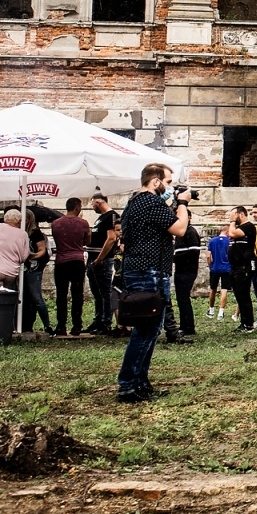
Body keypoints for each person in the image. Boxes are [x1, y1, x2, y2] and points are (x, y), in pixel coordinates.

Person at [117, 164, 190, 403]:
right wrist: (183, 203)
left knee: (150, 330)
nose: (169, 187)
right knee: (146, 330)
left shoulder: (134, 203)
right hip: (148, 271)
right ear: (156, 182)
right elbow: (179, 228)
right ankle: (128, 385)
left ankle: (140, 382)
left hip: (142, 269)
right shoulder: (150, 202)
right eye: (168, 182)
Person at [50, 198, 90, 336]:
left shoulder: (55, 224)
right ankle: (76, 326)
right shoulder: (83, 223)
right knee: (77, 295)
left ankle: (61, 325)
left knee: (61, 295)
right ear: (77, 207)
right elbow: (87, 240)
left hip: (61, 261)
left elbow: (56, 239)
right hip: (77, 261)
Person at [86, 194, 120, 335]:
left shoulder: (111, 216)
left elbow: (111, 238)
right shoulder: (100, 218)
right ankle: (98, 319)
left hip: (103, 260)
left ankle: (106, 322)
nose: (92, 206)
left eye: (92, 203)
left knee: (105, 292)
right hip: (93, 259)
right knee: (97, 293)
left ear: (98, 202)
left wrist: (100, 258)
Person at [223, 206, 257, 333]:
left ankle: (248, 324)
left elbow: (231, 233)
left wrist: (232, 221)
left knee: (243, 295)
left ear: (241, 214)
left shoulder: (248, 226)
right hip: (235, 267)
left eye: (234, 215)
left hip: (244, 266)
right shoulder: (239, 228)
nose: (232, 218)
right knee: (239, 295)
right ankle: (244, 322)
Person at [168, 207, 200, 341]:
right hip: (181, 270)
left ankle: (188, 327)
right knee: (181, 299)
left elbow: (193, 252)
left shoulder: (190, 232)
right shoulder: (180, 234)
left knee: (183, 298)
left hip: (187, 270)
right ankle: (185, 325)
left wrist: (175, 257)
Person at [0, 208, 30, 289]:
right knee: (7, 295)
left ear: (5, 218)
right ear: (19, 221)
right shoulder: (23, 234)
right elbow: (24, 256)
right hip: (11, 273)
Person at [20, 212, 51, 332]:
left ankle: (47, 325)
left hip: (33, 269)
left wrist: (31, 256)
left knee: (36, 298)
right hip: (21, 269)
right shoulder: (19, 232)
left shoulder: (35, 233)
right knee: (24, 298)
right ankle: (25, 325)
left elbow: (42, 250)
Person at [206, 224, 232, 321]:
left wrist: (210, 266)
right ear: (227, 231)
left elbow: (208, 256)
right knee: (224, 289)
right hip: (226, 268)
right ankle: (221, 313)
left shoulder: (212, 241)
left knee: (213, 289)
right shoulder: (229, 242)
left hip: (215, 268)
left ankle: (211, 310)